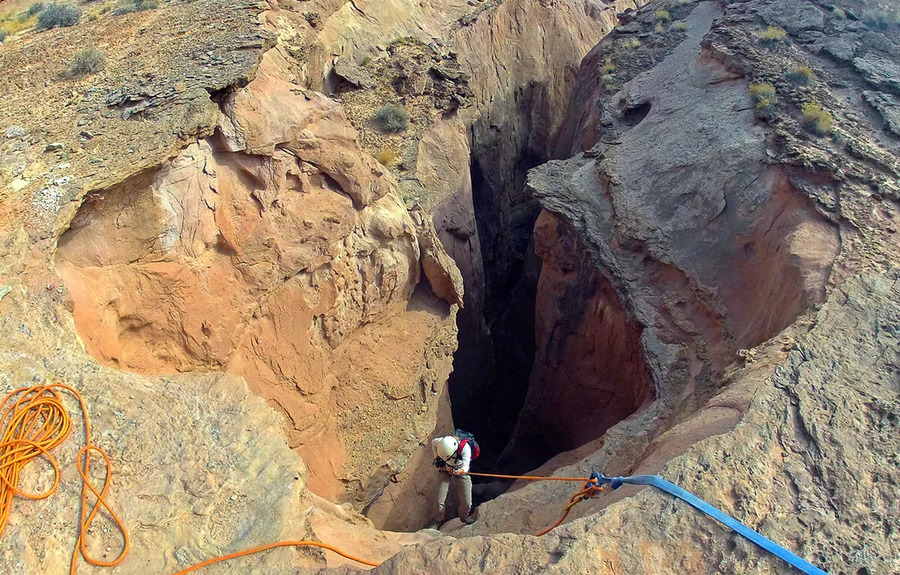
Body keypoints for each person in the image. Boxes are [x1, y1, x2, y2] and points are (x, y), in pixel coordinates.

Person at [431, 435, 476, 526]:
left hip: (460, 469)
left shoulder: (465, 448)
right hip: (445, 468)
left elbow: (465, 467)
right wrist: (437, 458)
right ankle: (436, 520)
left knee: (466, 500)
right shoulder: (440, 442)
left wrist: (459, 471)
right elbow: (433, 443)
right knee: (439, 498)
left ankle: (464, 516)